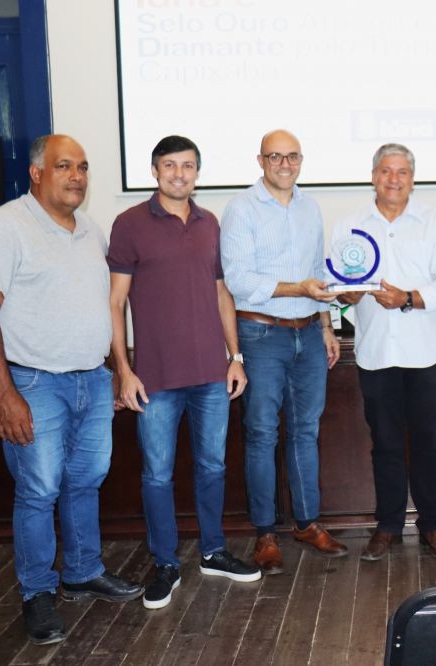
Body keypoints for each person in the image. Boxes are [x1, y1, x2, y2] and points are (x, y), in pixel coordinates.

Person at [0, 135, 142, 645]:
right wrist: (5, 393)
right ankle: (37, 592)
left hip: (92, 379)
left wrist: (117, 368)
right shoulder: (1, 228)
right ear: (37, 173)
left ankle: (83, 570)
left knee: (87, 480)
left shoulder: (90, 229)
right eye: (65, 166)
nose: (77, 176)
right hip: (33, 382)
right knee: (38, 490)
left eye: (83, 166)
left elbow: (105, 307)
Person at [108, 135, 260, 611]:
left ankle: (213, 551)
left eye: (188, 166)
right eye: (170, 166)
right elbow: (114, 303)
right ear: (155, 171)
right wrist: (124, 371)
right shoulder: (129, 224)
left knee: (213, 465)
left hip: (211, 374)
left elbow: (221, 294)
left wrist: (235, 357)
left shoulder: (209, 223)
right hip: (153, 377)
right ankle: (166, 563)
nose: (179, 174)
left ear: (197, 172)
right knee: (157, 474)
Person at [220, 129, 348, 572]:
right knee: (260, 434)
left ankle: (307, 523)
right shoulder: (240, 210)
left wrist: (328, 326)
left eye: (292, 156)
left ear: (301, 160)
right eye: (275, 157)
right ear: (260, 161)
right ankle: (265, 534)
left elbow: (318, 273)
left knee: (305, 431)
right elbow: (239, 282)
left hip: (309, 333)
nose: (284, 164)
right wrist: (298, 288)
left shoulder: (311, 208)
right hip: (261, 335)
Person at [335, 143, 436, 562]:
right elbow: (337, 284)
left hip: (425, 352)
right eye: (385, 171)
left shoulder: (434, 222)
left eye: (402, 172)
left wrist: (409, 297)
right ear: (373, 176)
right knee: (384, 444)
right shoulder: (350, 224)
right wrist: (346, 295)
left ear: (412, 178)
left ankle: (432, 525)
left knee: (427, 443)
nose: (393, 179)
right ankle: (387, 525)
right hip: (375, 352)